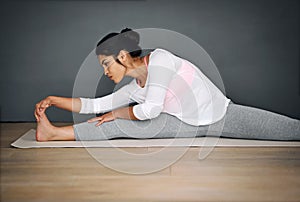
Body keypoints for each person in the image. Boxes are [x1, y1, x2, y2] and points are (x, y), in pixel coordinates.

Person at [34, 28, 300, 141]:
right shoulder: (134, 87)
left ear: (123, 56)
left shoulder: (161, 60)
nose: (104, 71)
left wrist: (116, 112)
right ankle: (53, 134)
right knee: (113, 125)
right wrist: (55, 100)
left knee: (290, 130)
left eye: (106, 63)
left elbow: (150, 110)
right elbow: (96, 104)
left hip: (221, 115)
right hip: (180, 123)